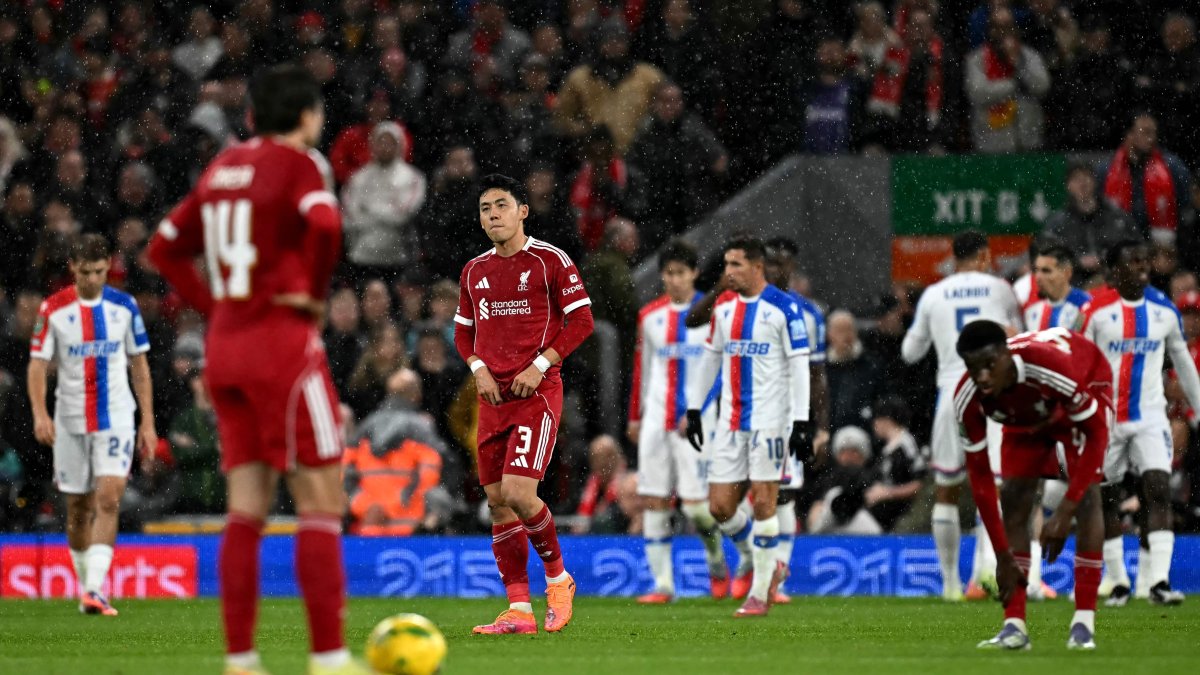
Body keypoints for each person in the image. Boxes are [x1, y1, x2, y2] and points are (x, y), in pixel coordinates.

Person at [147, 65, 368, 675]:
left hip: (226, 350)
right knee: (321, 502)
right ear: (304, 117)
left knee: (246, 509)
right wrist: (313, 295)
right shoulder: (302, 164)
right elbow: (324, 223)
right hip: (282, 348)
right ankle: (329, 658)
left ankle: (240, 660)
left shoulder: (221, 169)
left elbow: (164, 246)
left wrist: (214, 307)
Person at [453, 173, 595, 635]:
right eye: (484, 209)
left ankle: (559, 579)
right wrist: (477, 368)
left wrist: (540, 364)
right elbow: (462, 332)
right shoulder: (475, 270)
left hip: (535, 394)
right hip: (493, 399)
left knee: (518, 492)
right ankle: (518, 611)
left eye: (500, 205)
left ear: (522, 212)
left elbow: (582, 322)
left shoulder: (550, 260)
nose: (492, 215)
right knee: (496, 503)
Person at [685, 238, 828, 604]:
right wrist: (695, 409)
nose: (727, 273)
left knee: (768, 502)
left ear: (756, 267)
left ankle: (760, 591)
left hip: (771, 422)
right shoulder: (725, 307)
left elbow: (801, 368)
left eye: (735, 265)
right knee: (719, 507)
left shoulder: (786, 309)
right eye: (726, 265)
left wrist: (801, 422)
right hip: (731, 423)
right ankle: (762, 559)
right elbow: (711, 357)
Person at [954, 322, 1112, 650]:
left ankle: (1083, 624)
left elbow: (1097, 433)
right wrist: (1001, 556)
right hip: (1024, 415)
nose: (982, 376)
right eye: (973, 368)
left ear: (1007, 354)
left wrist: (1064, 511)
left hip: (1083, 387)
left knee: (1088, 497)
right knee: (1013, 496)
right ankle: (1014, 627)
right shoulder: (967, 396)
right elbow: (981, 480)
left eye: (989, 365)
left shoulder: (1050, 368)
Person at [28, 233, 156, 617]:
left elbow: (139, 365)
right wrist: (40, 414)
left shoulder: (125, 306)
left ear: (108, 268)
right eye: (86, 272)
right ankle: (88, 587)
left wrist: (147, 421)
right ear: (73, 268)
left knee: (110, 496)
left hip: (116, 416)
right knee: (78, 508)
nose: (94, 280)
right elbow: (37, 365)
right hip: (70, 419)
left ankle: (96, 590)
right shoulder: (53, 309)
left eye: (100, 271)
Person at [901, 230, 1022, 601]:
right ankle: (985, 571)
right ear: (984, 256)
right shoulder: (1000, 288)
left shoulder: (934, 293)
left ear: (954, 257)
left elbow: (909, 353)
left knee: (947, 488)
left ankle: (951, 585)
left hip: (952, 393)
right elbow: (1020, 335)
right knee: (996, 483)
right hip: (994, 391)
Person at [1078, 240, 1200, 606]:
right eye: (1133, 262)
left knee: (1158, 488)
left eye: (1146, 261)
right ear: (1116, 271)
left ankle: (1159, 583)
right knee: (1107, 496)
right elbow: (1079, 365)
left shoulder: (1164, 311)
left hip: (1149, 416)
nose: (1143, 268)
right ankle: (1117, 582)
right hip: (1106, 419)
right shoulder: (1095, 311)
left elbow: (1183, 364)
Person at [627, 238, 727, 603]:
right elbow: (642, 369)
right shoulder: (650, 316)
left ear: (694, 274)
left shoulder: (713, 314)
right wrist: (636, 417)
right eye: (668, 273)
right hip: (656, 419)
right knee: (654, 499)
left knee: (697, 508)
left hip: (697, 424)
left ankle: (715, 558)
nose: (674, 280)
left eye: (680, 273)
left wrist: (699, 410)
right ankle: (663, 585)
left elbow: (720, 370)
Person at [1025, 241, 1091, 330]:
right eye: (1036, 270)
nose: (1038, 277)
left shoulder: (1085, 306)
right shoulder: (1032, 312)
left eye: (1046, 271)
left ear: (1067, 273)